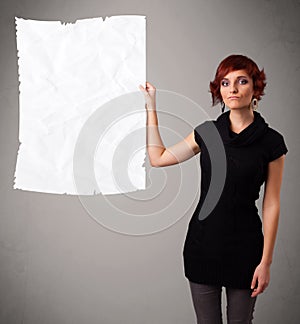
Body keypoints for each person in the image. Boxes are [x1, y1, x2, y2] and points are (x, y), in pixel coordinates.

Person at [139, 54, 288, 323]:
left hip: (246, 250)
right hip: (203, 246)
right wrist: (151, 108)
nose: (232, 88)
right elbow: (158, 158)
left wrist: (266, 261)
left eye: (241, 81)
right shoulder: (207, 133)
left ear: (255, 87)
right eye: (225, 82)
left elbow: (271, 203)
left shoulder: (272, 142)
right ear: (218, 90)